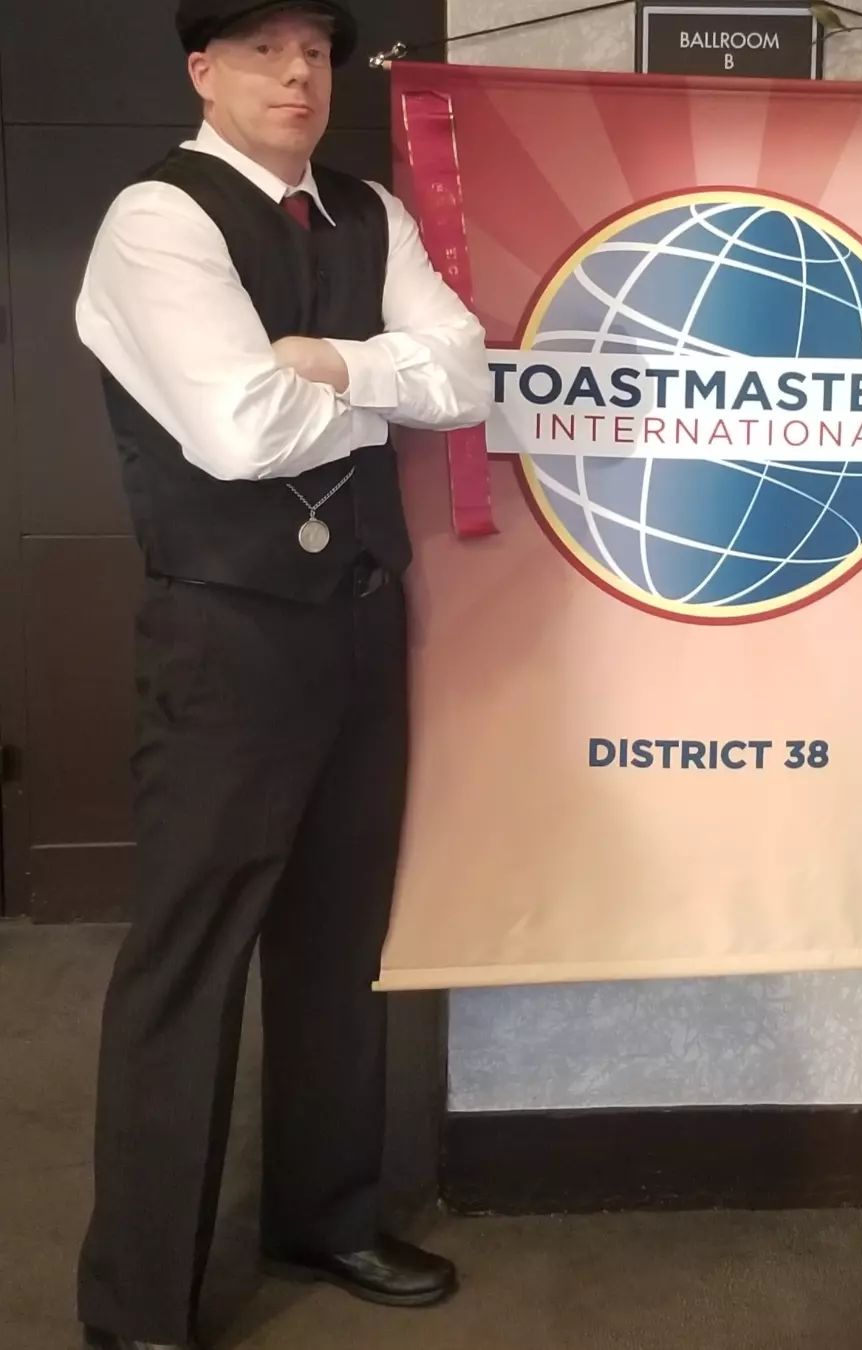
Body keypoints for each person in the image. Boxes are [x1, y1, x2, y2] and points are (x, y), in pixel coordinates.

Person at [73, 3, 491, 1347]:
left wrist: (327, 362)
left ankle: (326, 1214)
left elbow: (469, 378)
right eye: (264, 50)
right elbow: (239, 430)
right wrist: (386, 384)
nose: (299, 74)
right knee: (189, 963)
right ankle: (140, 1303)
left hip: (361, 616)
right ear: (205, 70)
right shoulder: (159, 219)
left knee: (335, 942)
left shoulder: (367, 210)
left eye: (314, 52)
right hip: (227, 636)